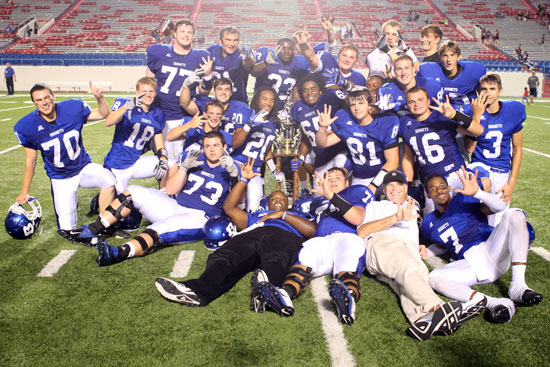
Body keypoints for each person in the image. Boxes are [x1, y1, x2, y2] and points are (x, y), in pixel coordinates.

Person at [155, 158, 316, 307]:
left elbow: (312, 231)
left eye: (282, 199)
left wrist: (283, 215)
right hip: (254, 232)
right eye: (274, 199)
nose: (279, 200)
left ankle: (268, 292)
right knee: (224, 257)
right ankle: (197, 291)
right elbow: (229, 209)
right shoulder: (257, 216)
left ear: (289, 205)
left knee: (276, 257)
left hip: (284, 236)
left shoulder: (296, 216)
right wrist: (244, 180)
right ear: (267, 204)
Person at [357, 170, 485, 341]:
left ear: (406, 188)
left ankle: (421, 320)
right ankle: (438, 307)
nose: (394, 188)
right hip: (383, 244)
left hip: (408, 251)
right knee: (407, 269)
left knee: (411, 281)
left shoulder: (413, 206)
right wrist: (395, 218)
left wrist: (423, 247)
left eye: (399, 184)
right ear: (384, 189)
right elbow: (362, 232)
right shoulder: (377, 206)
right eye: (390, 185)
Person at [82, 131, 235, 264]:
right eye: (207, 146)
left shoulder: (233, 168)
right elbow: (170, 189)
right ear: (203, 148)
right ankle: (92, 230)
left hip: (199, 217)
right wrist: (184, 168)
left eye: (216, 145)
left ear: (224, 147)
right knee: (134, 191)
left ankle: (118, 253)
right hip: (175, 206)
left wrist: (234, 177)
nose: (212, 150)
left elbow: (237, 202)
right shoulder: (194, 160)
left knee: (159, 229)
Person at [423, 168, 543, 324]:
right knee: (434, 278)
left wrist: (477, 193)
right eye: (433, 189)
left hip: (491, 249)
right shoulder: (428, 223)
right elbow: (442, 244)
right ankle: (494, 303)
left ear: (449, 188)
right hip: (471, 265)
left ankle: (518, 286)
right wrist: (427, 250)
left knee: (514, 213)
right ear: (428, 195)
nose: (439, 190)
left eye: (442, 186)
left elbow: (500, 207)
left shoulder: (462, 199)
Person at [258, 167, 371, 325]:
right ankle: (284, 295)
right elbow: (311, 229)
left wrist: (330, 195)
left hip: (347, 237)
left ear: (347, 182)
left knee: (348, 260)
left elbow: (357, 218)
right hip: (323, 241)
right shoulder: (316, 201)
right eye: (328, 178)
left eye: (337, 177)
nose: (331, 180)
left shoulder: (354, 193)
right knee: (306, 254)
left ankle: (347, 300)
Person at [13, 82, 116, 234]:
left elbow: (102, 114)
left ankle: (104, 224)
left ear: (53, 96)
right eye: (39, 100)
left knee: (108, 178)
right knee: (67, 230)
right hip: (60, 178)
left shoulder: (72, 107)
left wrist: (99, 99)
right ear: (34, 103)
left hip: (82, 168)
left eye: (47, 97)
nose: (44, 102)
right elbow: (31, 160)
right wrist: (24, 191)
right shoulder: (27, 126)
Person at [399, 87, 485, 214]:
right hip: (431, 181)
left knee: (469, 214)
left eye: (420, 100)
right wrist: (408, 185)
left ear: (428, 101)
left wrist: (454, 115)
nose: (416, 104)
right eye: (411, 102)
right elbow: (407, 157)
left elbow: (478, 130)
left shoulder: (442, 116)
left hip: (455, 174)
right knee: (432, 218)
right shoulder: (405, 123)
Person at [462, 74, 525, 225]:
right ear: (478, 91)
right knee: (471, 214)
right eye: (484, 89)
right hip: (480, 166)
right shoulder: (470, 111)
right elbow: (469, 149)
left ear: (500, 91)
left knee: (495, 223)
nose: (488, 93)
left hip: (502, 171)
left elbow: (517, 149)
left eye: (492, 89)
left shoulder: (513, 111)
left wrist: (511, 183)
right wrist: (476, 117)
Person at [146, 19, 211, 165]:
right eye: (182, 31)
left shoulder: (200, 56)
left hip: (184, 115)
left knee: (182, 160)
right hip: (161, 115)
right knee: (163, 159)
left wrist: (208, 76)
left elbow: (203, 93)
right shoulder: (159, 52)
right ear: (174, 34)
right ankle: (163, 188)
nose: (186, 35)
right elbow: (148, 81)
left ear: (194, 36)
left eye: (190, 32)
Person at [316, 88, 399, 194]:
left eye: (361, 103)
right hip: (360, 177)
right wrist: (322, 128)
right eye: (352, 104)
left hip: (384, 176)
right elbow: (323, 143)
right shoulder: (345, 119)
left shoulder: (385, 122)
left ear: (370, 105)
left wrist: (372, 186)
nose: (356, 108)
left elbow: (393, 162)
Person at [103, 77, 168, 194]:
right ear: (137, 93)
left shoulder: (158, 114)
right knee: (119, 206)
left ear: (155, 93)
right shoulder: (127, 106)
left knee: (170, 165)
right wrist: (127, 107)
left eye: (151, 91)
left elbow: (159, 142)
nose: (148, 95)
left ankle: (165, 198)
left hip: (136, 161)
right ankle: (99, 200)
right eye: (144, 91)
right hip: (117, 164)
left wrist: (163, 159)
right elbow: (108, 122)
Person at [291, 74, 347, 189]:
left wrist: (344, 86)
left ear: (321, 91)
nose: (309, 93)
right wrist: (301, 157)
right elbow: (306, 137)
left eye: (313, 89)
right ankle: (305, 190)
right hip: (320, 156)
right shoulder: (298, 109)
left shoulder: (331, 99)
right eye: (305, 90)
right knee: (319, 192)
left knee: (339, 186)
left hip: (338, 151)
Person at [231, 87, 281, 211]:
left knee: (254, 208)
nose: (268, 103)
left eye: (271, 100)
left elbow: (267, 151)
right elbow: (235, 142)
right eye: (264, 99)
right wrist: (249, 125)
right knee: (235, 203)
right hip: (238, 164)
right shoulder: (247, 114)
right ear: (257, 100)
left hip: (255, 170)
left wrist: (274, 170)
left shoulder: (274, 123)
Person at [418, 40, 486, 108]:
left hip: (468, 113)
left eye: (452, 55)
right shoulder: (428, 69)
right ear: (440, 57)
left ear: (458, 57)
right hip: (442, 114)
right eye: (445, 55)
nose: (448, 59)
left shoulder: (474, 71)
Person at [251, 38, 310, 109]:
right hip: (260, 106)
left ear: (293, 50)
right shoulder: (267, 56)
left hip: (281, 109)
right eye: (283, 48)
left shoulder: (300, 63)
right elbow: (253, 73)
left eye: (290, 48)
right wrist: (266, 63)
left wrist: (294, 104)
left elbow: (296, 87)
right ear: (277, 48)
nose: (286, 51)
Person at [180, 77, 252, 135]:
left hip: (231, 147)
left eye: (227, 89)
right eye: (220, 89)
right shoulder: (205, 103)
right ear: (214, 92)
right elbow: (185, 104)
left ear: (231, 93)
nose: (223, 92)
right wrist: (186, 86)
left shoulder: (241, 108)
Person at [377, 54, 443, 116]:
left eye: (406, 68)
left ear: (413, 69)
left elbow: (439, 113)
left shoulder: (431, 85)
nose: (403, 73)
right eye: (399, 69)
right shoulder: (387, 90)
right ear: (394, 71)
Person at [203, 26, 255, 103]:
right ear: (220, 41)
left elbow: (250, 66)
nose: (232, 44)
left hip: (238, 102)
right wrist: (207, 77)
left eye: (235, 40)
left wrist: (248, 58)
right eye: (228, 40)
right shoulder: (211, 52)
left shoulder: (242, 52)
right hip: (218, 104)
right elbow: (203, 92)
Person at [167, 100, 232, 153]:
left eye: (218, 115)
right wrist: (189, 125)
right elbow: (169, 137)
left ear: (223, 116)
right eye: (211, 114)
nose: (214, 118)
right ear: (205, 114)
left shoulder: (226, 138)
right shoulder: (194, 127)